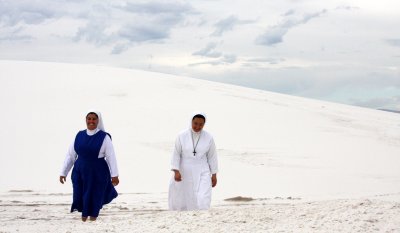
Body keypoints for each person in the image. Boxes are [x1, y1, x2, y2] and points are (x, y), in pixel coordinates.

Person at [59, 110, 119, 221]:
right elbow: (70, 155)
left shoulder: (104, 137)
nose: (91, 121)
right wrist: (63, 172)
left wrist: (114, 175)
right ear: (86, 120)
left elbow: (111, 157)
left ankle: (92, 218)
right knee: (79, 193)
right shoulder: (79, 135)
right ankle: (84, 215)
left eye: (94, 119)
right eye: (89, 118)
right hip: (79, 171)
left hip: (97, 172)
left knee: (94, 194)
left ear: (98, 121)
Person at [168, 112, 218, 210]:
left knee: (203, 196)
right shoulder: (181, 136)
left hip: (203, 169)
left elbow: (212, 156)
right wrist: (176, 170)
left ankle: (203, 213)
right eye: (195, 123)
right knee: (183, 196)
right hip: (184, 169)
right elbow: (176, 153)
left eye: (201, 124)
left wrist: (214, 174)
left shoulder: (208, 137)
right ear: (191, 121)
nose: (197, 126)